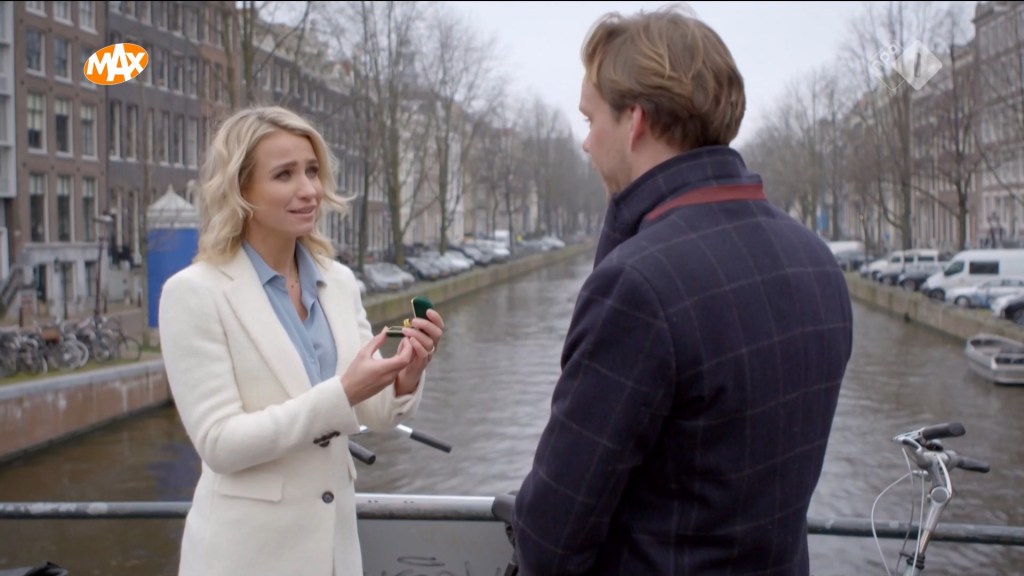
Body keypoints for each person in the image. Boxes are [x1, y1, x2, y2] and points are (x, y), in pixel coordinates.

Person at [512, 5, 853, 575]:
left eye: (590, 120)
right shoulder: (815, 259)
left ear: (635, 121)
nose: (586, 143)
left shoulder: (637, 286)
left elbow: (552, 535)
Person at [158, 105, 445, 576]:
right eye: (284, 174)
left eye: (312, 171)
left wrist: (407, 372)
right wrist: (342, 393)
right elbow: (219, 443)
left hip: (334, 553)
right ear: (241, 190)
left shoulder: (338, 281)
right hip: (246, 558)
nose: (309, 189)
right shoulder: (194, 293)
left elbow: (374, 413)